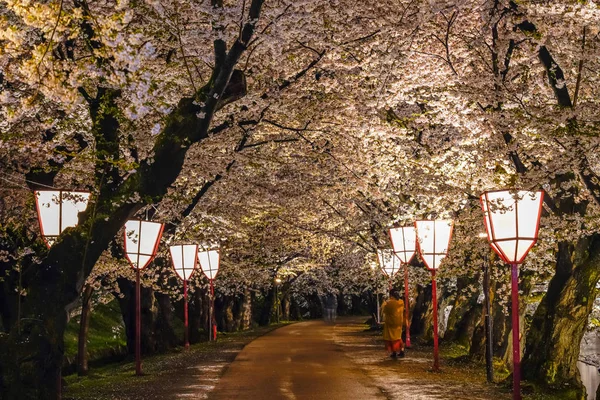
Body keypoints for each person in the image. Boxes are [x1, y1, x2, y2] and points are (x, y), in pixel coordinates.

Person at [382, 289, 405, 358]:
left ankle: (394, 352)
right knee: (398, 337)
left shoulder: (389, 303)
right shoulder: (401, 302)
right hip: (399, 322)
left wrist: (384, 303)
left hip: (390, 322)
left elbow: (384, 310)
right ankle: (402, 350)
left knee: (391, 338)